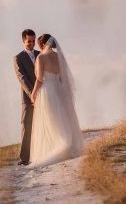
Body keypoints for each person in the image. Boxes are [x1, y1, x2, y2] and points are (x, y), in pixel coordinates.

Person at [28, 33, 84, 167]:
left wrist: (33, 93)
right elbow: (62, 77)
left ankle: (59, 145)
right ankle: (68, 143)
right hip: (59, 89)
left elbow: (40, 79)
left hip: (48, 91)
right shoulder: (59, 57)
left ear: (42, 45)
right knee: (62, 118)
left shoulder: (41, 57)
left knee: (50, 120)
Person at [13, 29, 39, 165]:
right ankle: (24, 159)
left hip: (43, 96)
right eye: (29, 41)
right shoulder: (18, 58)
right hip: (28, 98)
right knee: (26, 125)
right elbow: (22, 78)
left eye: (34, 41)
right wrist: (32, 95)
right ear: (23, 41)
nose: (32, 44)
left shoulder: (40, 55)